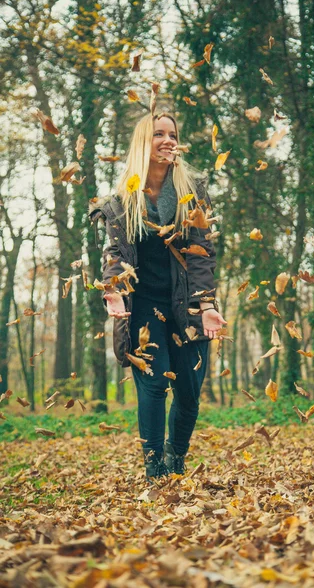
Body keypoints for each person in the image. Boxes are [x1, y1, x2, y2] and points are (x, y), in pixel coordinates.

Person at [90, 112, 226, 481]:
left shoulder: (192, 191)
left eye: (173, 134)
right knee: (153, 384)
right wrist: (114, 290)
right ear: (142, 143)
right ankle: (154, 469)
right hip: (145, 307)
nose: (168, 140)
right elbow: (115, 256)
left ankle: (176, 456)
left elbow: (202, 253)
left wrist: (208, 306)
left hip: (189, 304)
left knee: (189, 391)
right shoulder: (121, 201)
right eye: (158, 134)